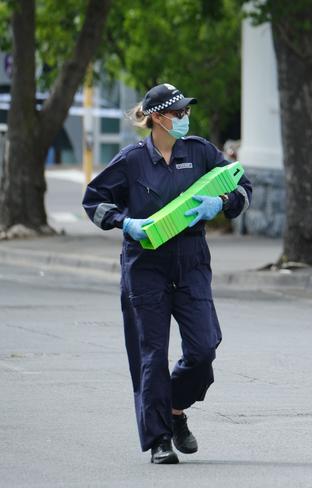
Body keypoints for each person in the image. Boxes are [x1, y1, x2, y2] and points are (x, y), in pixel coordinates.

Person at [82, 83, 252, 464]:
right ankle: (159, 438)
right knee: (151, 354)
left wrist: (222, 203)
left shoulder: (201, 150)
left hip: (191, 261)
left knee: (204, 348)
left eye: (186, 111)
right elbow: (93, 200)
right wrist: (125, 223)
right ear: (157, 117)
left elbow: (244, 184)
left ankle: (173, 408)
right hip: (146, 265)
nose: (185, 117)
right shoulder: (131, 160)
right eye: (178, 112)